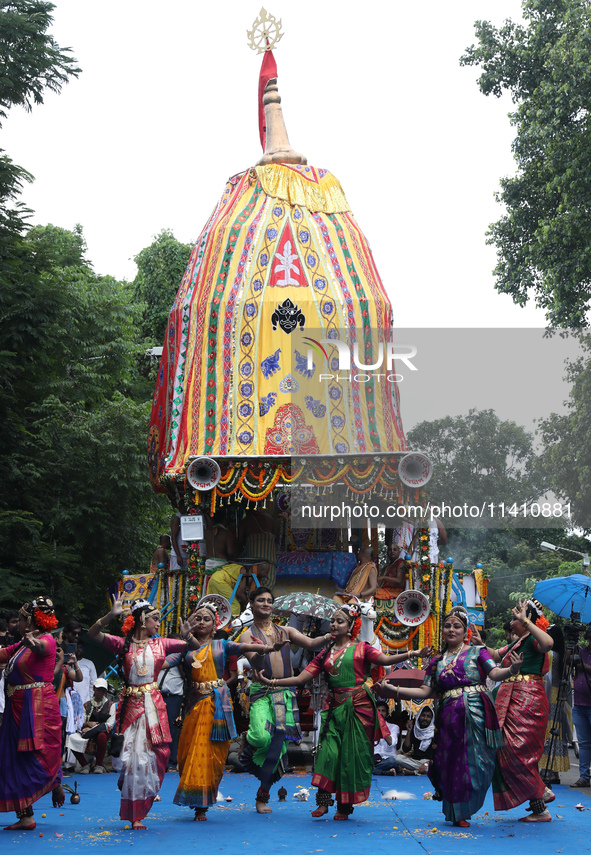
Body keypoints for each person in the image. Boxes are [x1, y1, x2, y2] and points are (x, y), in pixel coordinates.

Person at [256, 603, 432, 820]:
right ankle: (323, 803)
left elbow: (385, 660)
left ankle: (344, 807)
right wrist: (272, 682)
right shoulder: (325, 654)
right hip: (334, 710)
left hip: (359, 709)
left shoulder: (362, 648)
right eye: (333, 621)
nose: (334, 624)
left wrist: (414, 652)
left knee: (349, 758)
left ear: (350, 627)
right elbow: (302, 678)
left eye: (340, 621)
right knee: (327, 754)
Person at [378, 606, 518, 828]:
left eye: (457, 626)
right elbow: (425, 692)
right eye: (448, 626)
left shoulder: (477, 651)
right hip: (448, 714)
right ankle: (455, 809)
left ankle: (464, 809)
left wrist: (511, 670)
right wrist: (393, 690)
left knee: (475, 762)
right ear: (442, 630)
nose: (451, 629)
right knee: (448, 762)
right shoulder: (436, 661)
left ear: (465, 631)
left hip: (476, 713)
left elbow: (494, 673)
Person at [88, 595, 200, 829]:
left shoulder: (163, 644)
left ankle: (138, 813)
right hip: (130, 706)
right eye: (154, 619)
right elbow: (93, 635)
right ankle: (130, 796)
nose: (157, 623)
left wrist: (186, 633)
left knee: (153, 757)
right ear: (141, 620)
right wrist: (111, 616)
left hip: (153, 706)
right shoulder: (123, 644)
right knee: (128, 759)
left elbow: (194, 646)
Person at [173, 602, 289, 820]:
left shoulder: (221, 645)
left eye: (206, 619)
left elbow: (244, 648)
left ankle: (202, 806)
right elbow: (164, 662)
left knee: (209, 754)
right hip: (193, 705)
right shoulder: (186, 647)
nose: (200, 622)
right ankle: (194, 796)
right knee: (185, 754)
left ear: (215, 624)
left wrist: (268, 648)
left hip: (216, 706)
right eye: (197, 618)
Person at [238, 586, 333, 813]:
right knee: (261, 737)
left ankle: (262, 797)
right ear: (251, 603)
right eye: (261, 600)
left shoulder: (286, 631)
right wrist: (266, 650)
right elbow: (255, 663)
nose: (266, 604)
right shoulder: (246, 634)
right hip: (261, 691)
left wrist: (330, 636)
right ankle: (248, 740)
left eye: (269, 601)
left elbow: (310, 643)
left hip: (283, 692)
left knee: (277, 748)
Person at [485, 599, 554, 822]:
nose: (512, 622)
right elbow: (495, 655)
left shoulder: (534, 639)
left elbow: (549, 643)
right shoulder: (519, 642)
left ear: (528, 620)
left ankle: (540, 793)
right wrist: (476, 643)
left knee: (518, 751)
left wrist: (527, 620)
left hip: (528, 699)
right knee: (506, 750)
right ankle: (540, 807)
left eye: (516, 618)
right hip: (513, 699)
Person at [0, 597, 65, 831]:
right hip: (16, 706)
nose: (17, 624)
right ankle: (25, 816)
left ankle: (53, 781)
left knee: (39, 753)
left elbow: (43, 647)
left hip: (37, 706)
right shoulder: (19, 646)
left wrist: (32, 643)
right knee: (12, 759)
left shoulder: (45, 640)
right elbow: (3, 654)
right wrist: (26, 643)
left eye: (21, 619)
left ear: (29, 622)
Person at [540, 625, 571, 784]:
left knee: (546, 733)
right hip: (559, 699)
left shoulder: (549, 655)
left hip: (548, 697)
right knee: (557, 735)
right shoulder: (564, 655)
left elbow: (547, 679)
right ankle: (555, 772)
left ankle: (546, 771)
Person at [68, 677, 116, 773]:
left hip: (102, 733)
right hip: (86, 732)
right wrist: (87, 724)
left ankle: (98, 765)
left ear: (106, 691)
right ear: (94, 689)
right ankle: (85, 765)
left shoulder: (111, 705)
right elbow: (80, 723)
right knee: (71, 738)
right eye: (98, 689)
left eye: (103, 690)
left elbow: (109, 725)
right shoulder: (86, 705)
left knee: (101, 735)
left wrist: (93, 728)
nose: (100, 692)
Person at [158, 634, 186, 772]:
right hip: (158, 696)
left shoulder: (182, 660)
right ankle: (159, 760)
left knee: (171, 729)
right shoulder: (159, 658)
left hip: (173, 697)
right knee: (157, 729)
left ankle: (171, 761)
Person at [571, 623, 591, 788]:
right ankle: (584, 777)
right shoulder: (581, 652)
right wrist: (572, 642)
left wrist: (583, 666)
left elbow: (581, 667)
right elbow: (568, 662)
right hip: (579, 704)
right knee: (583, 743)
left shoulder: (582, 658)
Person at [238, 509, 278, 589]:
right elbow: (276, 537)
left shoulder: (245, 522)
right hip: (268, 558)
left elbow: (240, 543)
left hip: (254, 559)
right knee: (266, 586)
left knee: (253, 585)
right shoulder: (269, 518)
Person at [395, 706, 435, 774]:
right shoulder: (415, 730)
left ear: (431, 719)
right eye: (423, 715)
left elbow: (437, 755)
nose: (425, 718)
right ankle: (420, 770)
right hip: (414, 761)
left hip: (429, 762)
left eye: (428, 716)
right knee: (397, 758)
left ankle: (413, 772)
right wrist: (409, 731)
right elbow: (406, 749)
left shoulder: (435, 732)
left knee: (436, 767)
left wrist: (426, 764)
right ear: (419, 716)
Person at [372, 701, 400, 775]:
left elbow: (391, 742)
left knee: (392, 762)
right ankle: (385, 772)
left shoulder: (394, 727)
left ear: (387, 713)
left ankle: (372, 770)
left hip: (387, 760)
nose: (380, 713)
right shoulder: (370, 727)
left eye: (383, 711)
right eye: (378, 711)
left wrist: (381, 726)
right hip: (374, 760)